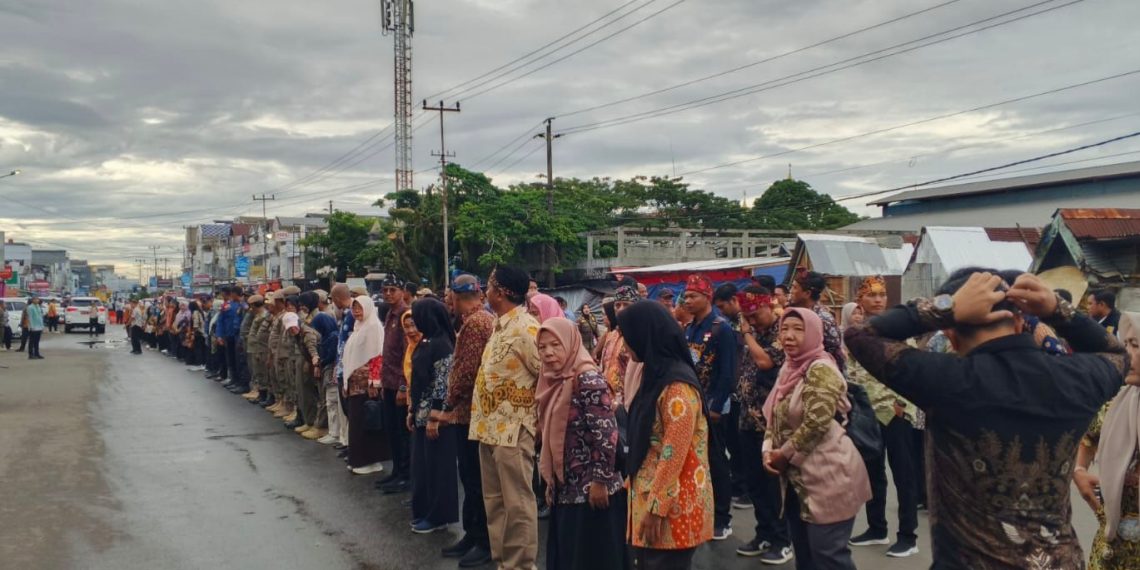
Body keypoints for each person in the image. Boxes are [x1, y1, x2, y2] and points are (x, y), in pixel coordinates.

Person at [845, 269, 1127, 568]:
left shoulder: (945, 381)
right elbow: (1118, 355)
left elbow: (860, 335)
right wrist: (1057, 309)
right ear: (1020, 323)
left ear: (950, 335)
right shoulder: (1077, 378)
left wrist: (946, 307)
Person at [763, 307, 870, 570]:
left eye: (798, 329)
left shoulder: (820, 369)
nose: (789, 336)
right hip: (798, 481)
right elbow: (775, 413)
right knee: (806, 556)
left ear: (813, 333)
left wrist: (782, 454)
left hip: (829, 475)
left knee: (828, 556)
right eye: (784, 329)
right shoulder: (789, 368)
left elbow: (816, 423)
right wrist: (767, 448)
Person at [619, 301, 713, 569]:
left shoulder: (676, 387)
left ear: (644, 335)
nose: (624, 345)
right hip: (651, 498)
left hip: (671, 508)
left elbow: (674, 453)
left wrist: (657, 508)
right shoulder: (655, 375)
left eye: (627, 337)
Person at [536, 318, 625, 570]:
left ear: (570, 343)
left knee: (592, 557)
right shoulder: (551, 379)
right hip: (567, 488)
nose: (548, 352)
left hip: (591, 492)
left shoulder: (587, 378)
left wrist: (600, 481)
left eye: (555, 345)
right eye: (542, 347)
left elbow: (606, 433)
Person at [470, 265, 543, 570]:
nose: (485, 292)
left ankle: (521, 565)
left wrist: (538, 423)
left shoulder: (527, 328)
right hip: (488, 428)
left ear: (500, 293)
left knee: (517, 502)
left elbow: (547, 375)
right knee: (495, 502)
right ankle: (504, 563)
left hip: (514, 429)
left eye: (488, 286)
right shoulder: (499, 326)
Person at [844, 276, 921, 558]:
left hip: (895, 411)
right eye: (871, 295)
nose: (878, 300)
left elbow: (914, 367)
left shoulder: (899, 329)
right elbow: (851, 371)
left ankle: (908, 536)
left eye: (882, 294)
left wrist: (902, 404)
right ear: (860, 299)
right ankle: (877, 528)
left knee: (903, 475)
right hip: (867, 412)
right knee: (872, 472)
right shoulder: (856, 332)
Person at [1074, 311, 1140, 570]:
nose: (1127, 355)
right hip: (1112, 549)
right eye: (1126, 344)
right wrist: (1079, 471)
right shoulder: (1116, 404)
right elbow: (1087, 438)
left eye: (1135, 345)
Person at [438, 275, 496, 566]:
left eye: (450, 296)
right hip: (472, 410)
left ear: (457, 297)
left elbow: (467, 369)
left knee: (474, 479)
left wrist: (448, 402)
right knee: (472, 478)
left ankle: (483, 540)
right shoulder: (482, 319)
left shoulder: (476, 323)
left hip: (470, 411)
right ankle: (472, 534)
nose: (448, 301)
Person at [732, 286, 793, 564]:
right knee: (755, 483)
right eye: (747, 317)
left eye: (755, 315)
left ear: (769, 305)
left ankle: (783, 540)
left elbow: (765, 361)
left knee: (774, 486)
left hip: (772, 424)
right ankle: (764, 533)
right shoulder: (755, 332)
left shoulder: (784, 331)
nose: (752, 321)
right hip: (748, 418)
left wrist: (746, 333)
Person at [682, 274, 737, 540]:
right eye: (686, 296)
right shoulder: (690, 328)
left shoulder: (720, 328)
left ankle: (722, 519)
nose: (687, 300)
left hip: (714, 407)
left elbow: (727, 372)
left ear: (707, 297)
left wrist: (716, 405)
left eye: (693, 296)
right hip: (693, 404)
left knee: (716, 461)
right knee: (698, 460)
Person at [408, 298, 460, 533]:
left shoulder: (442, 345)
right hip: (421, 413)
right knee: (423, 468)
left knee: (439, 469)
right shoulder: (426, 341)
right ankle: (425, 510)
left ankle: (439, 516)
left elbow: (443, 384)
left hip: (435, 418)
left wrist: (435, 417)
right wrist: (412, 411)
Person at [342, 296, 387, 475]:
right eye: (354, 308)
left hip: (366, 385)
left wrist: (374, 382)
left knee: (366, 422)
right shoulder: (358, 327)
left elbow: (377, 355)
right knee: (356, 422)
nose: (356, 312)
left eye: (359, 308)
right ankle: (357, 460)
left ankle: (369, 461)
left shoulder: (374, 327)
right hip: (354, 383)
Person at [379, 276, 412, 494]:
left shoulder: (405, 315)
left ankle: (406, 475)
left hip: (400, 383)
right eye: (385, 290)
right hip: (388, 381)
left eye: (393, 289)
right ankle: (397, 471)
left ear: (402, 291)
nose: (388, 293)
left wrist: (402, 386)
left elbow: (407, 354)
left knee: (402, 433)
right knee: (391, 431)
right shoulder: (389, 314)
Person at [789, 270, 846, 376]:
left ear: (807, 293)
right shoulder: (793, 314)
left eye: (795, 288)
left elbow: (834, 354)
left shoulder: (823, 320)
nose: (791, 291)